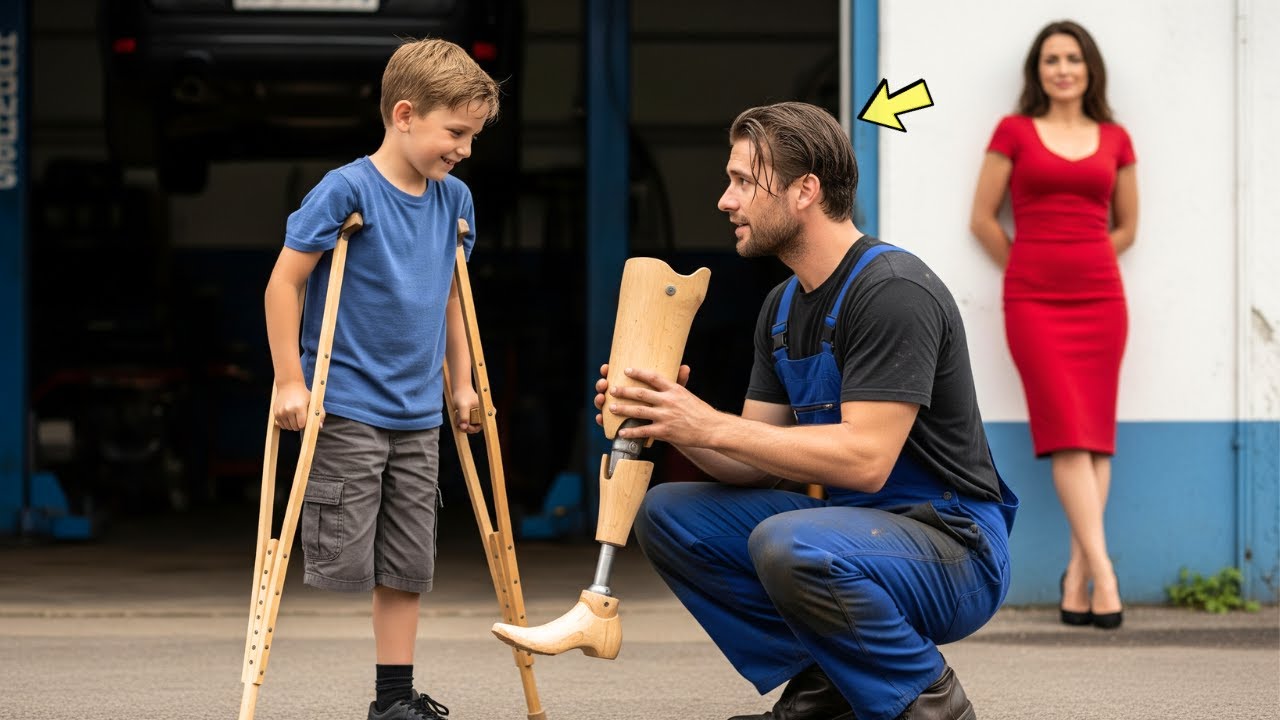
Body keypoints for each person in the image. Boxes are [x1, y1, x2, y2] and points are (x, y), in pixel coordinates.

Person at [596, 101, 1018, 720]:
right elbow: (751, 462)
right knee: (668, 514)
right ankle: (828, 688)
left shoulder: (891, 291)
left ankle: (931, 702)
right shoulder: (783, 306)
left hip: (953, 547)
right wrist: (668, 416)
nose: (725, 199)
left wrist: (705, 422)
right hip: (851, 537)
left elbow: (867, 459)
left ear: (805, 191)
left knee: (789, 541)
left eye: (743, 181)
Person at [263, 38, 499, 720]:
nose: (465, 149)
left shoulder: (455, 200)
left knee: (407, 562)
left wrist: (461, 384)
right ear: (404, 114)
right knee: (343, 557)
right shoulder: (346, 189)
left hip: (419, 411)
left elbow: (454, 297)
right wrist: (289, 379)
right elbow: (286, 282)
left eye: (473, 135)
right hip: (350, 405)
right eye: (456, 132)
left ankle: (392, 700)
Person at [969, 20, 1137, 630]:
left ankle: (1076, 579)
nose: (1062, 68)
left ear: (1089, 68)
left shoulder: (1116, 138)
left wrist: (1085, 259)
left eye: (1072, 58)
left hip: (1100, 299)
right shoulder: (1013, 132)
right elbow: (983, 218)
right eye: (1050, 59)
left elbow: (1126, 227)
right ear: (1037, 72)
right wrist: (1031, 264)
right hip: (1034, 302)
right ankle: (1107, 573)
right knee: (1067, 433)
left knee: (1094, 437)